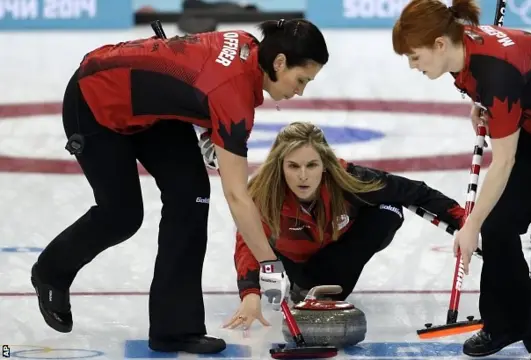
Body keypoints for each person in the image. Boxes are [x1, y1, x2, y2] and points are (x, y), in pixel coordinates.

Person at [30, 19, 329, 354]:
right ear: (278, 63)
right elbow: (237, 196)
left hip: (150, 109)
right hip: (96, 99)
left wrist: (207, 128)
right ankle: (51, 270)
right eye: (301, 79)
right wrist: (269, 265)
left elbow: (195, 74)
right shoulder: (233, 99)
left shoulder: (248, 45)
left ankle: (174, 328)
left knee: (192, 196)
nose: (300, 91)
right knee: (122, 215)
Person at [391, 1, 531, 359]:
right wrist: (484, 102)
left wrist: (469, 225)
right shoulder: (461, 47)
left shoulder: (496, 72)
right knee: (499, 226)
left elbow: (503, 162)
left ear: (439, 44)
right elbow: (497, 88)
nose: (411, 65)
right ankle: (506, 323)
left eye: (414, 56)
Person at [218, 121, 467, 330]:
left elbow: (414, 192)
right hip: (292, 264)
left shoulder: (348, 179)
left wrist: (467, 223)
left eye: (311, 165)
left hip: (336, 256)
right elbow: (247, 242)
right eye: (293, 166)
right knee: (265, 241)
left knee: (388, 210)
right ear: (280, 166)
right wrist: (250, 294)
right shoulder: (263, 193)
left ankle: (326, 290)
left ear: (325, 164)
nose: (303, 175)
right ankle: (305, 287)